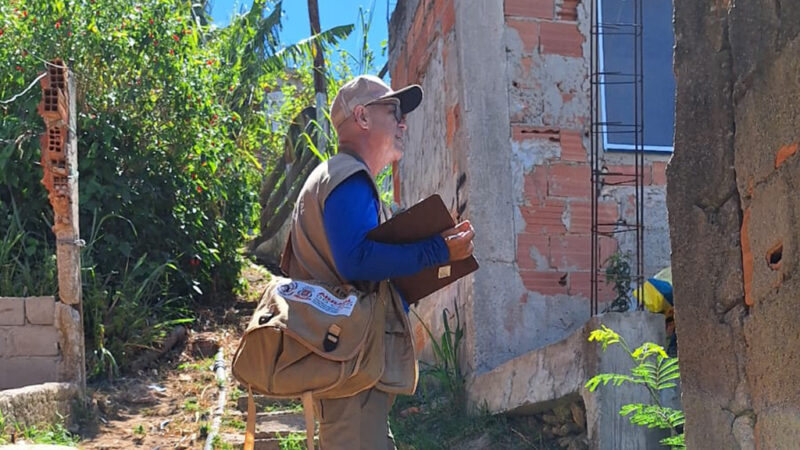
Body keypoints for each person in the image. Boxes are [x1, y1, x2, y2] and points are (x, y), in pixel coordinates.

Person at [281, 74, 476, 449]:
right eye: (393, 111)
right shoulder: (347, 176)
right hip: (349, 367)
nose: (402, 122)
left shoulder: (335, 177)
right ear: (362, 118)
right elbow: (357, 260)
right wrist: (437, 251)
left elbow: (350, 268)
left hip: (348, 361)